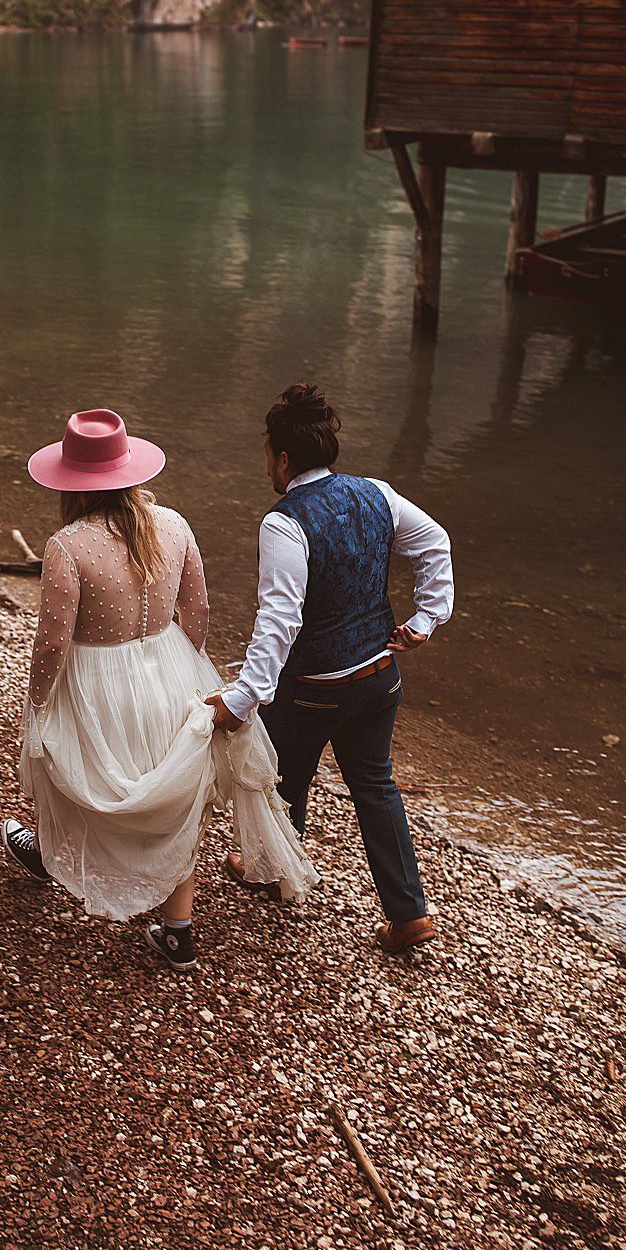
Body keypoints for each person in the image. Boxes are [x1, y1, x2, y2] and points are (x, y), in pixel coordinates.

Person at [2, 408, 316, 974]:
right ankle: (177, 932)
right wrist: (177, 661)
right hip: (171, 664)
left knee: (74, 764)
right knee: (175, 793)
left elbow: (53, 641)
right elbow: (197, 609)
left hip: (97, 675)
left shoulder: (67, 546)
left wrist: (40, 700)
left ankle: (51, 855)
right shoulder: (172, 524)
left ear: (71, 481)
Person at [208, 382, 454, 955]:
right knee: (375, 784)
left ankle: (271, 869)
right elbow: (436, 543)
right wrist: (425, 619)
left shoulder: (283, 522)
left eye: (267, 452)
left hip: (315, 689)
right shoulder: (378, 494)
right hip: (379, 679)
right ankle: (409, 913)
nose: (266, 463)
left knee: (283, 777)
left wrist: (243, 697)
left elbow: (280, 619)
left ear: (284, 457)